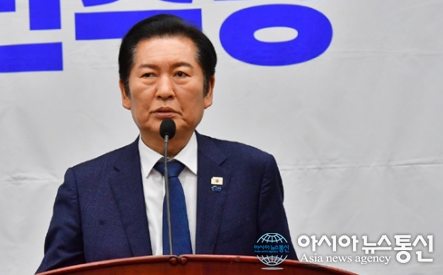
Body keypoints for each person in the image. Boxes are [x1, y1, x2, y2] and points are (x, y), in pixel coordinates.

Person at [36, 14, 296, 273]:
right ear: (125, 92)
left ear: (208, 90)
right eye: (148, 75)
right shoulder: (85, 187)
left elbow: (280, 269)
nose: (164, 91)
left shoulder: (252, 172)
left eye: (180, 74)